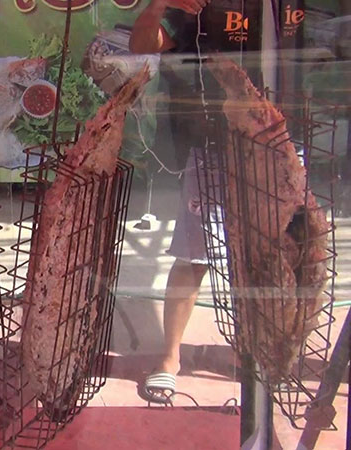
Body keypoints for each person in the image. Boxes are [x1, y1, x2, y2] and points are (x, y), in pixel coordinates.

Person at [129, 0, 263, 403]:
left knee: (268, 256)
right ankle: (171, 357)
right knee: (194, 255)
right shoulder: (192, 10)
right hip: (210, 146)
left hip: (272, 143)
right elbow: (142, 44)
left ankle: (256, 351)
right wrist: (158, 5)